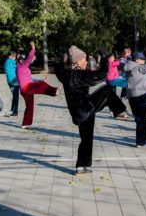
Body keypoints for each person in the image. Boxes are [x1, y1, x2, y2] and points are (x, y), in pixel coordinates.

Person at [54, 45, 132, 175]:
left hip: (78, 114)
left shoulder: (65, 75)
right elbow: (102, 75)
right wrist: (105, 57)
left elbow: (58, 68)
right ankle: (120, 111)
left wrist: (59, 58)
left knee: (86, 139)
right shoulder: (80, 75)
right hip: (85, 109)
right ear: (78, 61)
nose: (86, 62)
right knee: (107, 90)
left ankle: (82, 166)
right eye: (84, 59)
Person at [17, 41, 60, 129]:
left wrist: (40, 79)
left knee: (29, 106)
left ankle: (25, 124)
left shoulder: (22, 67)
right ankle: (54, 91)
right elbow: (28, 59)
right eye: (23, 60)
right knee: (41, 85)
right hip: (26, 88)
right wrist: (33, 48)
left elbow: (29, 75)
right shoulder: (21, 66)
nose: (24, 61)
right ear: (20, 60)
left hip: (25, 89)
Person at [3, 51, 19, 116]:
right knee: (27, 81)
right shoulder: (10, 61)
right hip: (13, 80)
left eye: (15, 56)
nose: (15, 57)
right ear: (9, 56)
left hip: (10, 81)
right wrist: (19, 59)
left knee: (15, 96)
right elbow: (20, 65)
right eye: (14, 56)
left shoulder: (7, 62)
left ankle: (14, 111)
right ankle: (14, 111)